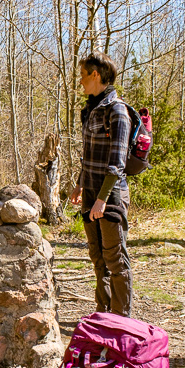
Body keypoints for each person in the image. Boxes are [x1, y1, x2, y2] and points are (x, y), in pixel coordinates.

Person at [69, 51, 134, 317]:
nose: (81, 81)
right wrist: (79, 184)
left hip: (110, 196)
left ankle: (121, 321)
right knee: (98, 260)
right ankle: (103, 316)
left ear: (96, 75)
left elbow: (117, 163)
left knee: (115, 260)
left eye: (83, 75)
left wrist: (102, 199)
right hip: (91, 193)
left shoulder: (117, 110)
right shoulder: (90, 109)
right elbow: (89, 154)